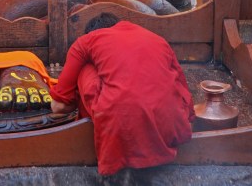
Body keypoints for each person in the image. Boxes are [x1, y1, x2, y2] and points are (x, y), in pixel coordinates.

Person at [50, 13, 195, 175]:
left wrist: (74, 97)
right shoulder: (158, 39)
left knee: (84, 68)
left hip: (119, 129)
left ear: (93, 33)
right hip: (172, 125)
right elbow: (186, 100)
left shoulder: (86, 41)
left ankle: (93, 124)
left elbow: (58, 106)